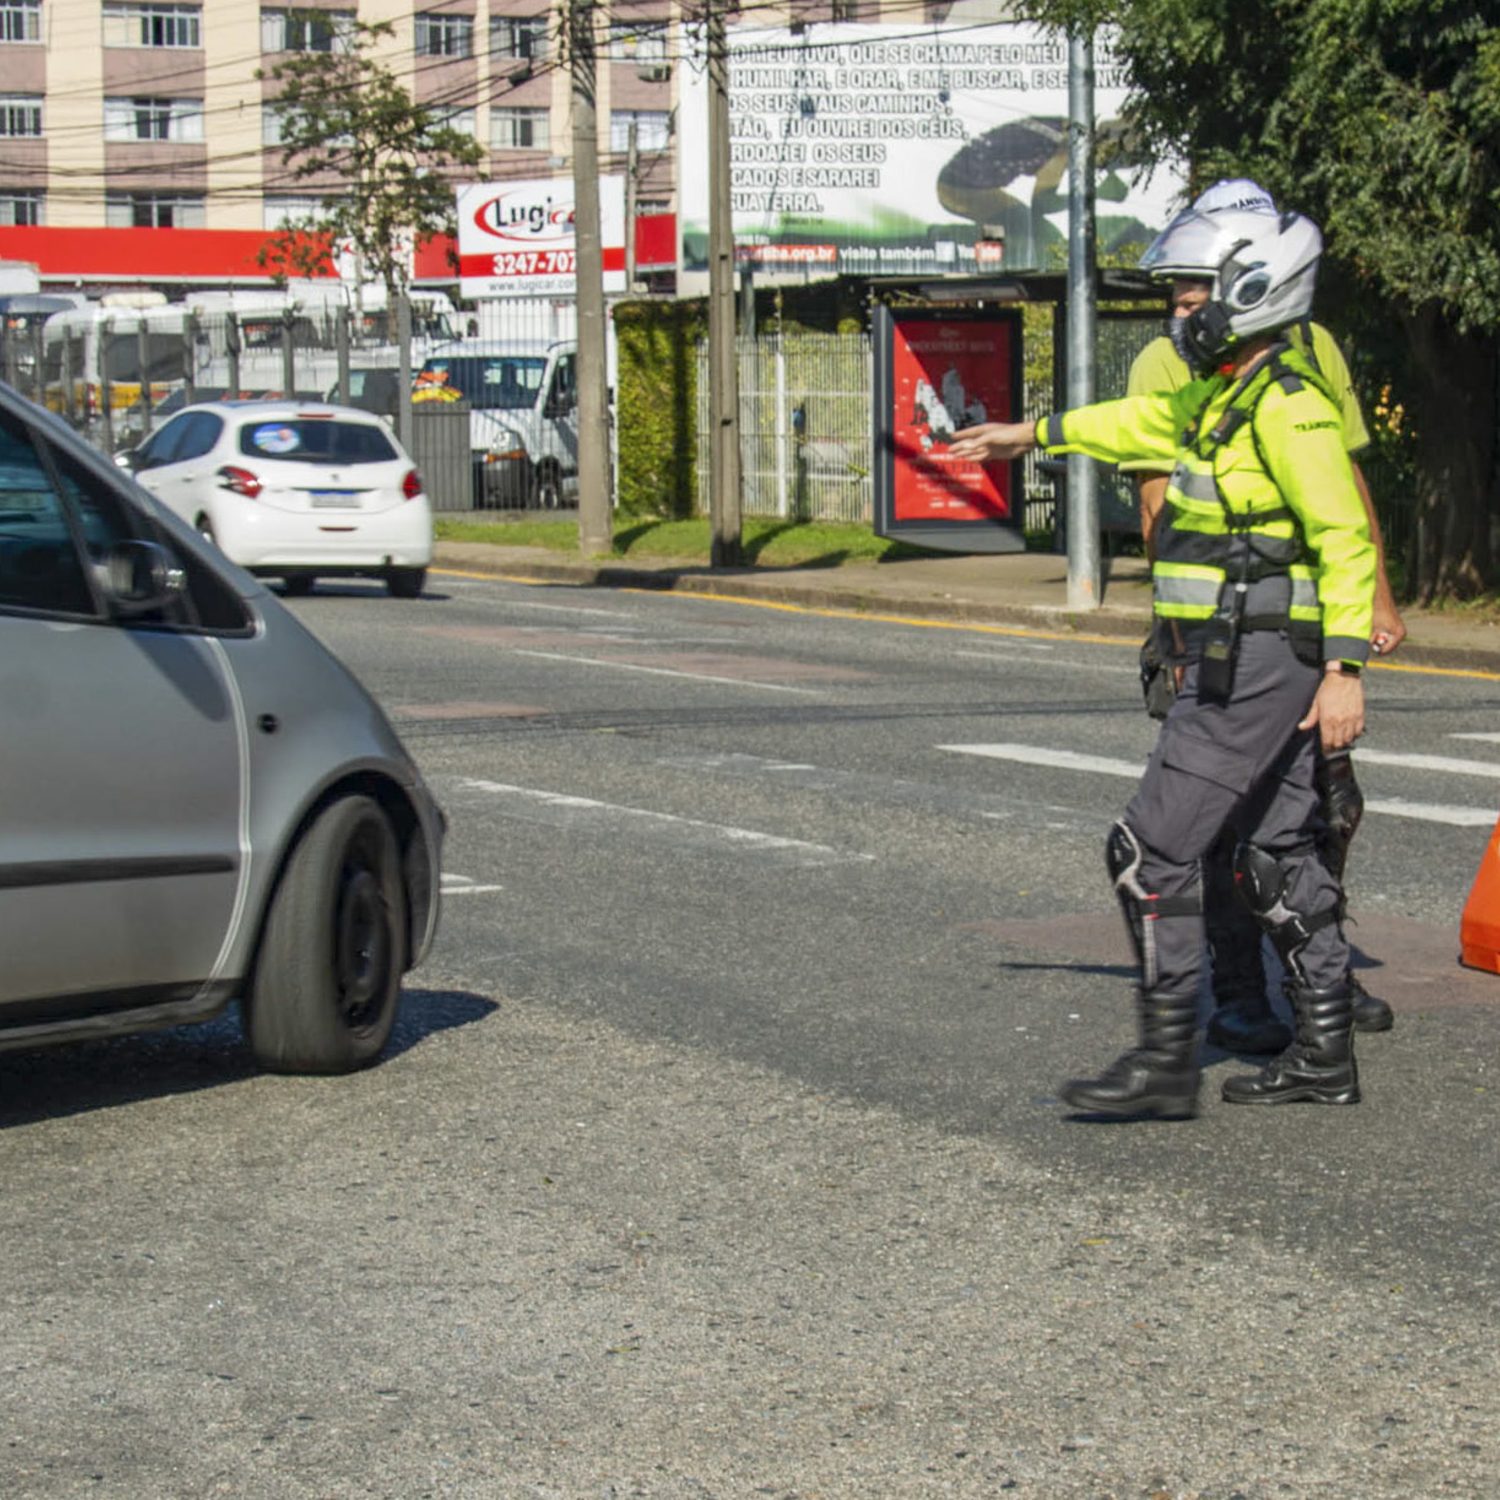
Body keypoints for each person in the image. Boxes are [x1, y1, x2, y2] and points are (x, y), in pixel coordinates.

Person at [951, 204, 1376, 1118]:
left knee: (1148, 851)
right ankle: (1326, 1053)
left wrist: (1345, 670)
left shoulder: (1290, 405)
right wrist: (1029, 436)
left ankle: (1167, 1060)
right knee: (1272, 854)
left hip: (1254, 662)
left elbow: (1345, 537)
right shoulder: (1222, 397)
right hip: (1245, 657)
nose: (1184, 312)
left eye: (1200, 294)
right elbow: (1134, 417)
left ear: (1254, 295)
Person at [1122, 179, 1403, 1053]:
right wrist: (1183, 635)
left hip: (1303, 622)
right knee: (1216, 813)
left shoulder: (1311, 342)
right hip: (1212, 619)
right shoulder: (1171, 355)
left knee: (1323, 805)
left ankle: (1314, 972)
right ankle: (1236, 988)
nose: (1185, 301)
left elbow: (1343, 478)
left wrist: (1378, 597)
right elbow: (1158, 497)